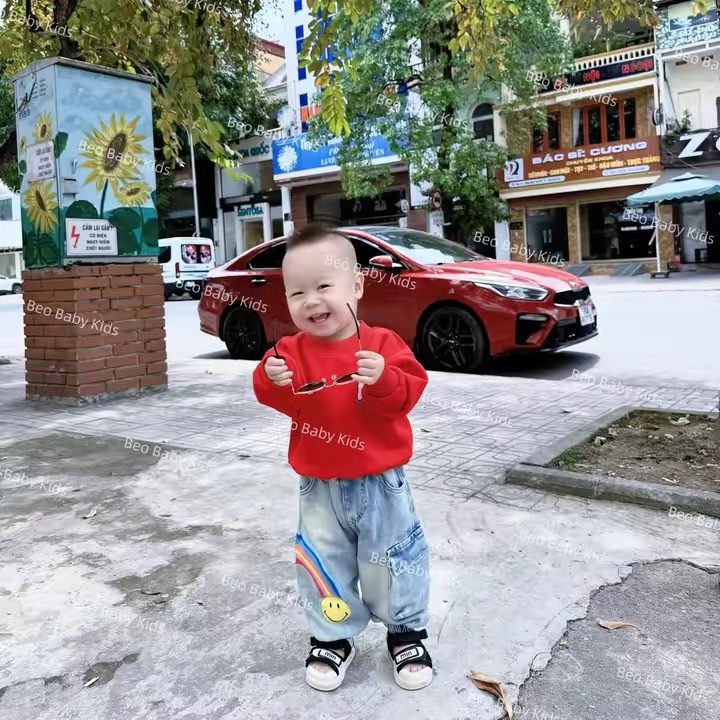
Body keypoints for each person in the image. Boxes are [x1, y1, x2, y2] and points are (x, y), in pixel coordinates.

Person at [252, 224, 433, 692]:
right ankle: (333, 637)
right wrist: (270, 378)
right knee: (322, 564)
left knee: (393, 559)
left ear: (357, 286)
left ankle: (405, 632)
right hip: (319, 487)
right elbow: (275, 396)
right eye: (297, 293)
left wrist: (384, 379)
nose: (311, 301)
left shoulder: (383, 344)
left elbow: (408, 393)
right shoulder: (290, 351)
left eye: (323, 287)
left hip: (381, 482)